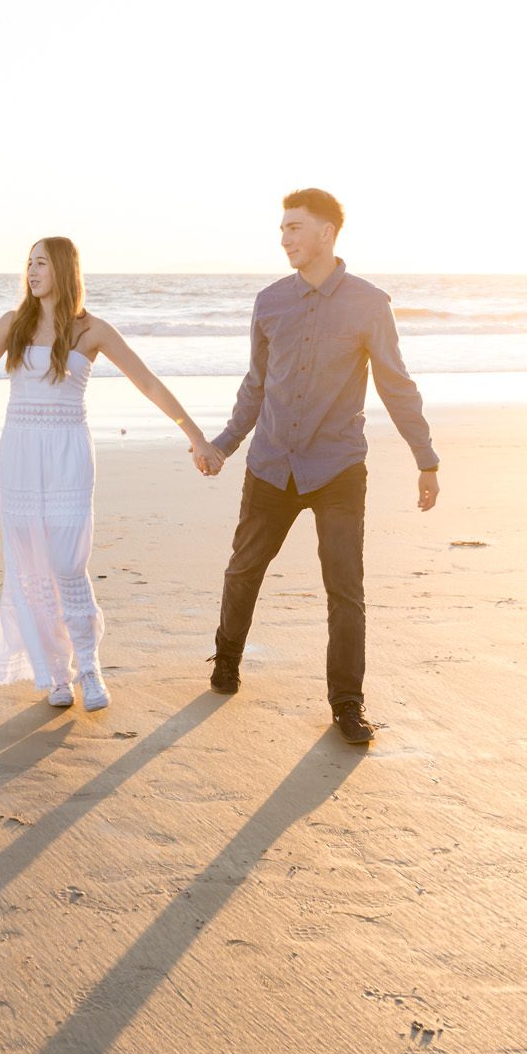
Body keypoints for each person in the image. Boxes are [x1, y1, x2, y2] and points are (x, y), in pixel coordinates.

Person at [0, 237, 221, 712]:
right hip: (20, 454)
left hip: (68, 454)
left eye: (41, 262)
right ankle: (57, 675)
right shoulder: (12, 326)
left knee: (67, 565)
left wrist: (196, 436)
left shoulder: (92, 330)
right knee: (31, 569)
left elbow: (148, 382)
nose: (31, 271)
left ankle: (89, 667)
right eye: (28, 263)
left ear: (63, 269)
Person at [204, 188, 440, 744]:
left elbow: (395, 385)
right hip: (270, 464)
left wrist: (424, 458)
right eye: (282, 229)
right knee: (244, 570)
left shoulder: (369, 304)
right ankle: (226, 662)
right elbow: (256, 385)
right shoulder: (269, 302)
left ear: (327, 233)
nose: (284, 238)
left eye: (294, 228)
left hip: (336, 468)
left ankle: (347, 704)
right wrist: (224, 444)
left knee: (345, 589)